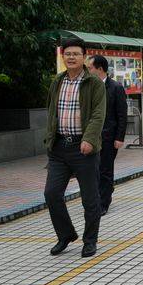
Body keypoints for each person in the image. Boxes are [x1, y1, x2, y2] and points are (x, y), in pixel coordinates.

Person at [43, 38, 106, 258]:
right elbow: (52, 111)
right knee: (51, 194)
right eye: (67, 53)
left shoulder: (94, 83)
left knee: (90, 198)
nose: (71, 57)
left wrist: (89, 139)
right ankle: (66, 234)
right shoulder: (57, 81)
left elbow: (99, 114)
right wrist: (49, 140)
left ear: (84, 57)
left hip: (84, 148)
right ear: (63, 56)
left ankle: (90, 241)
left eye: (75, 54)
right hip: (59, 147)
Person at [88, 55, 127, 216]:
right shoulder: (89, 87)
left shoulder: (115, 88)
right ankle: (98, 197)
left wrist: (119, 138)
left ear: (100, 69)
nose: (88, 70)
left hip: (110, 138)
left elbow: (121, 115)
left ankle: (104, 203)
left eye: (90, 68)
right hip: (92, 137)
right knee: (93, 170)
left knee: (105, 170)